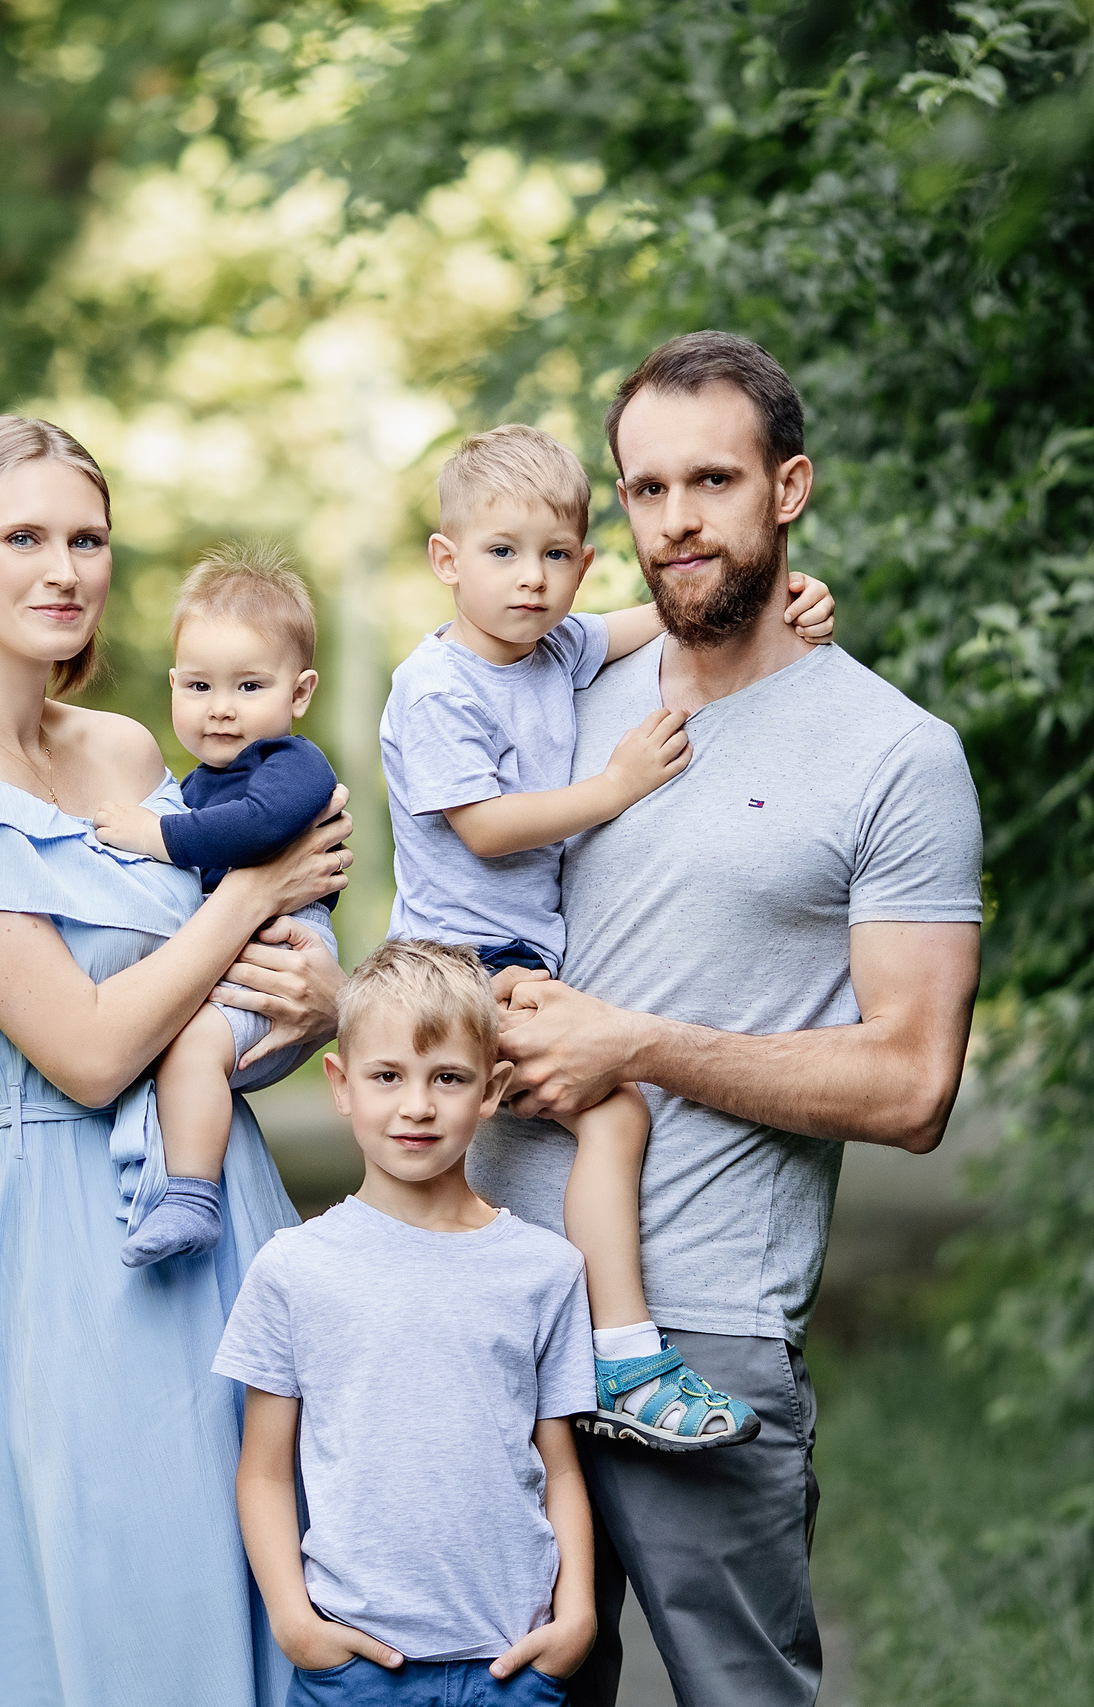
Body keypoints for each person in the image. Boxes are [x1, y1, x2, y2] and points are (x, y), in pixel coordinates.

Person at [468, 333, 986, 1706]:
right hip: (489, 1312)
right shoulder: (550, 700)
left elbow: (914, 1081)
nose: (678, 519)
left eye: (712, 479)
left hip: (705, 1332)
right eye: (644, 489)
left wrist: (631, 1043)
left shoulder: (896, 756)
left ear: (790, 486)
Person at [0, 415, 352, 1707]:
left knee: (295, 1615)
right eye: (23, 537)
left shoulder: (125, 748)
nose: (64, 567)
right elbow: (93, 1048)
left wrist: (314, 999)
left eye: (88, 538)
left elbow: (210, 1020)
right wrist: (250, 897)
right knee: (140, 1628)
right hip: (85, 1252)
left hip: (238, 1211)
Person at [378, 424, 836, 1450]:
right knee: (613, 1112)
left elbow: (657, 626)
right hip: (458, 964)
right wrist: (613, 788)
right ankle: (625, 1355)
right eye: (500, 554)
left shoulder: (555, 647)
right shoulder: (438, 686)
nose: (530, 582)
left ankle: (515, 1329)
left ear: (582, 566)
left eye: (555, 558)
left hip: (512, 961)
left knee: (528, 1124)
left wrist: (788, 597)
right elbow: (485, 826)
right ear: (446, 560)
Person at [217, 939, 598, 1704]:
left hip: (511, 1663)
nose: (417, 1105)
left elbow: (558, 1462)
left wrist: (578, 1616)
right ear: (342, 1083)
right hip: (355, 1664)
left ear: (491, 1090)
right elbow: (262, 1469)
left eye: (448, 1077)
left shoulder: (545, 1268)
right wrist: (295, 1623)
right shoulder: (295, 1267)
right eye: (387, 1075)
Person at [91, 544, 341, 1268]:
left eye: (248, 686)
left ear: (298, 694)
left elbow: (256, 830)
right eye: (198, 685)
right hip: (234, 953)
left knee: (193, 1044)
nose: (220, 708)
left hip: (282, 953)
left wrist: (151, 834)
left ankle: (193, 1198)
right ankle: (164, 1178)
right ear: (173, 685)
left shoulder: (291, 766)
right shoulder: (196, 783)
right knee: (167, 1039)